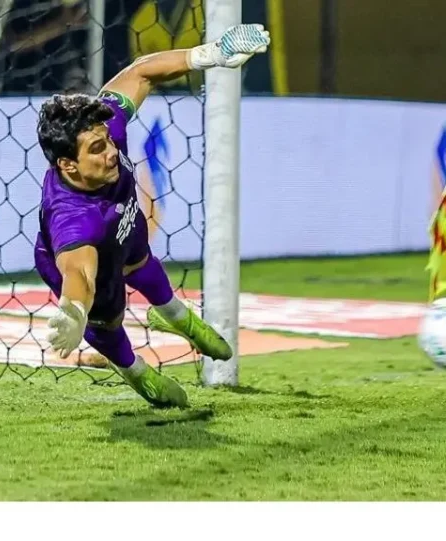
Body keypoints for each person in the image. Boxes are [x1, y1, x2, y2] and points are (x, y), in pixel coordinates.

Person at [34, 24, 270, 409]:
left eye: (108, 141)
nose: (112, 151)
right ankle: (135, 371)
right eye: (97, 149)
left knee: (140, 259)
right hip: (93, 254)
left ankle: (174, 315)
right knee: (108, 320)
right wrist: (74, 311)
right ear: (67, 165)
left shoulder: (104, 127)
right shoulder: (73, 221)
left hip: (124, 222)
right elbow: (80, 275)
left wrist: (207, 55)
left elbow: (141, 72)